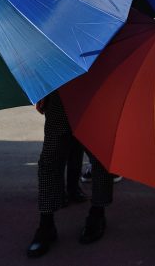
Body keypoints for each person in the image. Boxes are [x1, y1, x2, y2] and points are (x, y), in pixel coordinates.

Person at [27, 93, 116, 258]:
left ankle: (97, 213)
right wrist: (42, 90)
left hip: (97, 91)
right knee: (50, 159)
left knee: (100, 156)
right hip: (60, 92)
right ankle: (46, 223)